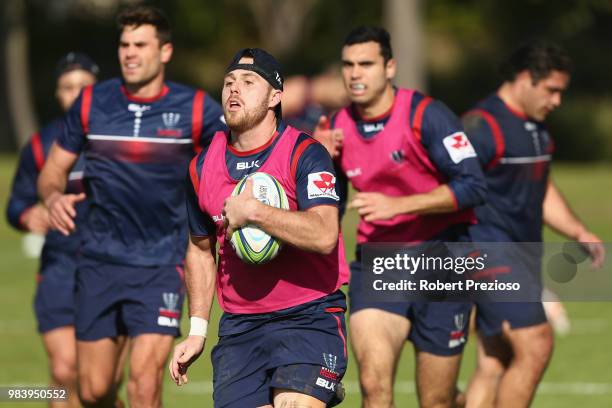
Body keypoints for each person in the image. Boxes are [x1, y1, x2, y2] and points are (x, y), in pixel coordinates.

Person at [37, 6, 226, 407]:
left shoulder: (194, 108)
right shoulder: (91, 103)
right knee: (92, 391)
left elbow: (238, 153)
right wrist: (53, 197)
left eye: (141, 44)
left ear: (165, 51)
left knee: (143, 383)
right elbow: (52, 173)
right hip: (99, 261)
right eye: (124, 44)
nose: (130, 53)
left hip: (163, 263)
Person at [314, 26, 487, 407]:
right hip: (380, 263)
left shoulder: (427, 115)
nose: (355, 74)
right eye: (348, 65)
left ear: (389, 67)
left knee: (436, 399)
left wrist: (401, 204)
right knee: (375, 388)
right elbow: (326, 208)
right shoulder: (336, 127)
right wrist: (318, 157)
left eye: (366, 64)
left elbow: (474, 185)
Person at [169, 48, 349, 408]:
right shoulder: (201, 167)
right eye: (229, 83)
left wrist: (255, 212)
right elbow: (200, 250)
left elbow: (325, 234)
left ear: (275, 97)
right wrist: (198, 331)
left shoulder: (306, 153)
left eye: (249, 83)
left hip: (309, 318)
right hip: (241, 328)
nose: (234, 89)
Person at [462, 40, 605, 408]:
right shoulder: (482, 126)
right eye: (552, 90)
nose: (557, 101)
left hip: (522, 254)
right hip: (487, 251)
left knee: (495, 362)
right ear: (526, 78)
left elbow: (542, 190)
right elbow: (445, 186)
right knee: (537, 342)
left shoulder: (537, 130)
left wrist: (577, 230)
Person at [7, 52, 101, 408]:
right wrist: (28, 215)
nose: (75, 94)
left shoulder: (119, 140)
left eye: (84, 87)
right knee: (64, 370)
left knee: (98, 383)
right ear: (58, 94)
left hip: (112, 267)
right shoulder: (40, 144)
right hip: (59, 267)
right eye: (67, 87)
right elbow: (15, 205)